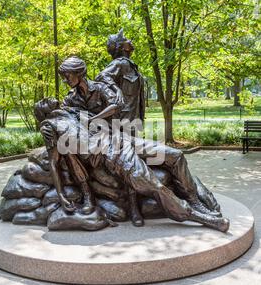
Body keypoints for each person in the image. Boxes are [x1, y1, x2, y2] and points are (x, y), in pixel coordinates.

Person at [35, 97, 229, 233]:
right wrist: (61, 194)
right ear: (43, 112)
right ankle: (200, 217)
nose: (49, 98)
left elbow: (109, 110)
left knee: (176, 155)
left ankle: (194, 198)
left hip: (123, 138)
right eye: (43, 102)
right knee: (155, 185)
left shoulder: (72, 111)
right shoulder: (49, 126)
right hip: (111, 154)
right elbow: (55, 162)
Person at [96, 29, 145, 122]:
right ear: (122, 47)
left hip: (134, 118)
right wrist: (116, 89)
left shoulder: (130, 66)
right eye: (126, 39)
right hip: (122, 120)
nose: (129, 40)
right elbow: (101, 76)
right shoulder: (120, 63)